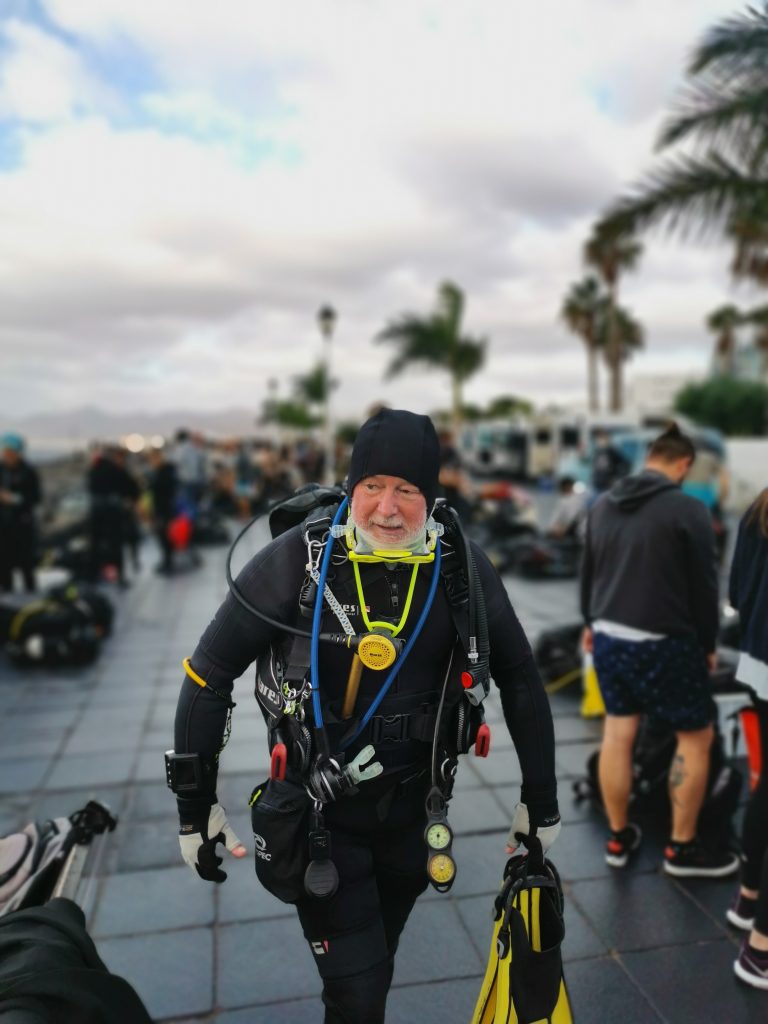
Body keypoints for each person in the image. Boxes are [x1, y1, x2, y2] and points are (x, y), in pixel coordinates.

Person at [169, 408, 560, 1024]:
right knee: (359, 994)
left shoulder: (459, 566)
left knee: (376, 965)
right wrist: (195, 810)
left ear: (431, 497)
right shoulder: (295, 561)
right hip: (319, 819)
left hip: (414, 811)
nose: (386, 508)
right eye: (371, 486)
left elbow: (520, 676)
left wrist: (542, 801)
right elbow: (206, 675)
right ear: (351, 488)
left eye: (407, 490)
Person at [580, 422, 738, 878]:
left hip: (609, 635)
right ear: (683, 464)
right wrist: (707, 644)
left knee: (618, 732)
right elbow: (705, 587)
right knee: (695, 736)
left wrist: (591, 624)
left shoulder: (604, 504)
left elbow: (588, 573)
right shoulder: (688, 508)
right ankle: (681, 849)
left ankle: (617, 836)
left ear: (649, 456)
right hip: (664, 641)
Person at [726, 487, 768, 990]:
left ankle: (748, 895)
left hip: (759, 662)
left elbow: (736, 595)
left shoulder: (758, 505)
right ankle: (760, 948)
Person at [87, 445, 140, 588]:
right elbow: (132, 488)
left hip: (96, 513)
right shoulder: (116, 470)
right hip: (112, 513)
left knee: (96, 544)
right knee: (116, 545)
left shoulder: (95, 469)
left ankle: (94, 576)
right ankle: (119, 576)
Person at [0, 433, 42, 593]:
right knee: (4, 563)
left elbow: (36, 497)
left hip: (23, 525)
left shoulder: (28, 472)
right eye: (5, 451)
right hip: (3, 526)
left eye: (11, 452)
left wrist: (14, 499)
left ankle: (31, 597)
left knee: (27, 564)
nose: (8, 455)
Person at [147, 447, 178, 576]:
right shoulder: (163, 472)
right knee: (162, 537)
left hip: (165, 510)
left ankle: (168, 563)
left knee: (165, 537)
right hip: (162, 509)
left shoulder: (164, 473)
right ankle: (166, 561)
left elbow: (164, 491)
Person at [546, 476, 587, 543]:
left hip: (575, 535)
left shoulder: (564, 500)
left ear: (564, 487)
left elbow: (553, 524)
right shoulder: (584, 498)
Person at [590, 430, 629, 494]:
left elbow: (626, 464)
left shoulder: (612, 452)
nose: (601, 440)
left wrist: (617, 477)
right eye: (599, 438)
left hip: (608, 486)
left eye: (603, 438)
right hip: (597, 485)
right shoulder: (597, 452)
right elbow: (595, 468)